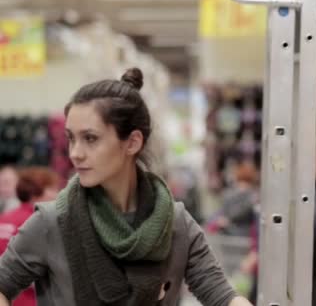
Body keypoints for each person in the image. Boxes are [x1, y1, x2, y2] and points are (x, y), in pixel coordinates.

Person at [0, 68, 252, 306]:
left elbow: (221, 295)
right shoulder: (52, 222)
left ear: (132, 142)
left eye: (90, 138)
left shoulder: (175, 224)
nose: (75, 153)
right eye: (71, 138)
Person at [0, 167, 62, 306]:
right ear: (35, 192)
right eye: (51, 189)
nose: (57, 194)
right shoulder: (39, 223)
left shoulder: (3, 218)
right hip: (29, 300)